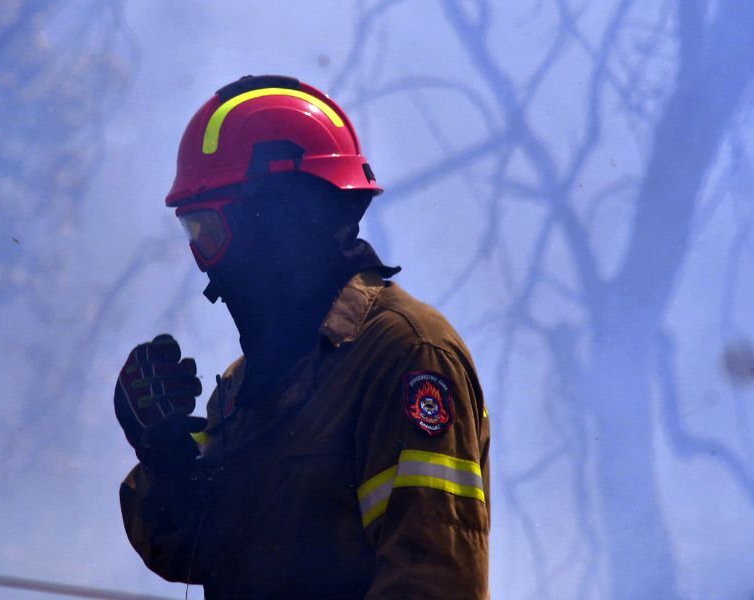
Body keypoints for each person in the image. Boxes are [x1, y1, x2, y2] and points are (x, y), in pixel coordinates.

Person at [114, 75, 490, 599]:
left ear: (280, 220)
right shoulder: (251, 388)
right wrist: (166, 456)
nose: (207, 265)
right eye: (193, 236)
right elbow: (190, 549)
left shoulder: (405, 356)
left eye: (210, 232)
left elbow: (433, 581)